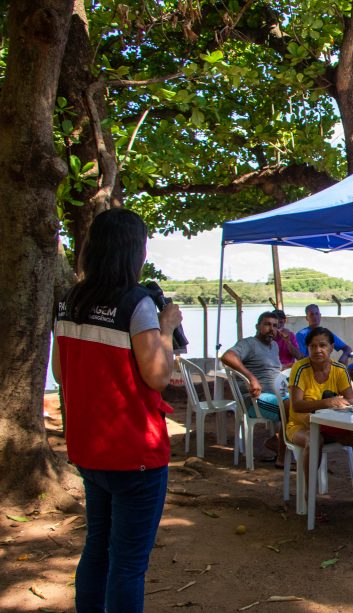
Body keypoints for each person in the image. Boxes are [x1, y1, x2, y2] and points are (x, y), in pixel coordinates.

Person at [51, 208, 183, 612]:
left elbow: (60, 372)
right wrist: (166, 327)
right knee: (127, 564)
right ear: (133, 252)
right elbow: (158, 376)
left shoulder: (70, 301)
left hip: (89, 449)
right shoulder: (136, 304)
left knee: (97, 548)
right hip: (133, 452)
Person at [286, 327, 353, 501]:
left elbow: (352, 401)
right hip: (301, 426)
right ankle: (309, 494)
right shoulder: (300, 368)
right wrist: (328, 402)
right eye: (313, 346)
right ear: (307, 349)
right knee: (314, 440)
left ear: (331, 347)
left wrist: (341, 402)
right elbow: (297, 405)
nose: (318, 350)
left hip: (331, 427)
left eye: (322, 345)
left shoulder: (339, 369)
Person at [220, 311, 286, 467]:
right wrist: (252, 378)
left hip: (277, 395)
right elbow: (227, 356)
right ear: (258, 326)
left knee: (305, 405)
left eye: (275, 326)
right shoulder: (249, 343)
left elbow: (272, 371)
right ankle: (283, 459)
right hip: (256, 400)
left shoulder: (274, 346)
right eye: (267, 324)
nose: (272, 329)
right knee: (291, 408)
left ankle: (275, 442)